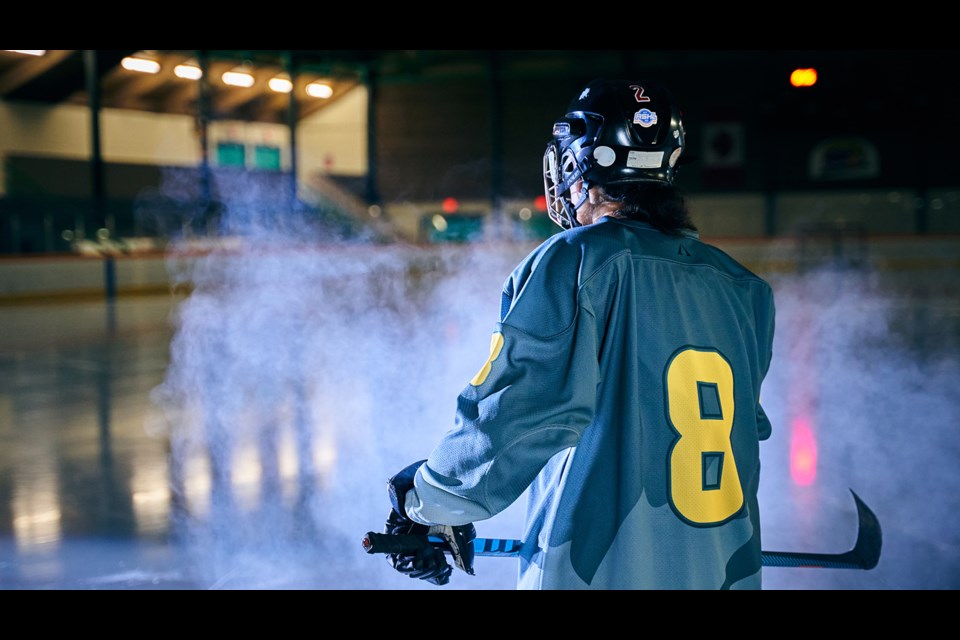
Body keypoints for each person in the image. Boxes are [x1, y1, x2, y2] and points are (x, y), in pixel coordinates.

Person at [383, 77, 777, 589]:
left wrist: (428, 500)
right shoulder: (745, 290)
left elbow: (519, 414)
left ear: (575, 166)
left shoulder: (576, 259)